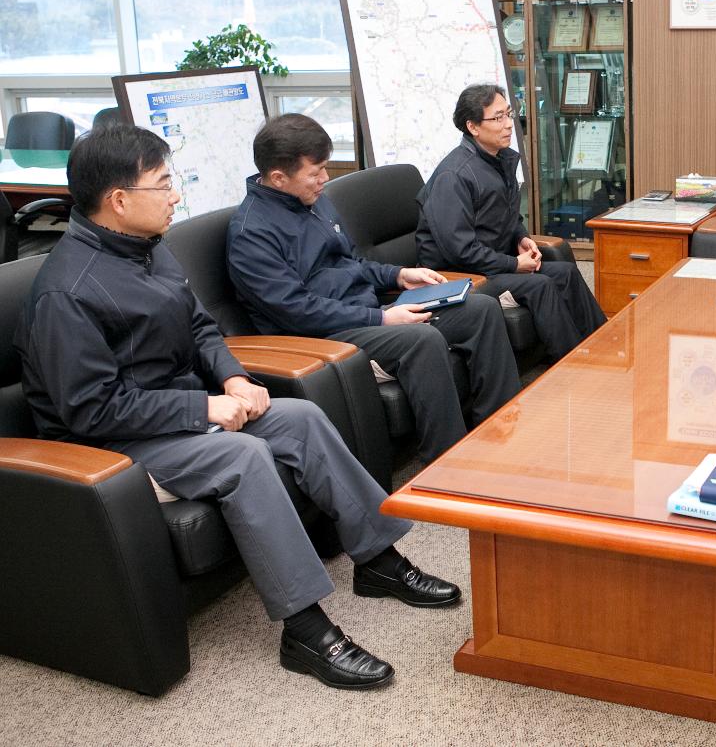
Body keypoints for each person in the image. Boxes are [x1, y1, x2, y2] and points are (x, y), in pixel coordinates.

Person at [15, 124, 461, 691]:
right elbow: (90, 411)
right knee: (244, 458)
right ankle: (303, 629)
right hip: (116, 443)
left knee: (300, 417)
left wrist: (232, 376)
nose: (175, 195)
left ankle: (379, 560)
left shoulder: (148, 250)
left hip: (177, 407)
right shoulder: (67, 291)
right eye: (163, 184)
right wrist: (203, 408)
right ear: (119, 200)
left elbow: (201, 326)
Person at [227, 113, 520, 465]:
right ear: (277, 177)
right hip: (324, 335)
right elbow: (297, 311)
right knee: (421, 340)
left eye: (325, 168)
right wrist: (382, 317)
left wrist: (399, 276)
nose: (324, 179)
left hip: (368, 310)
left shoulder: (314, 201)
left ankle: (499, 428)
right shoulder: (251, 234)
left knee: (480, 309)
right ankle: (447, 464)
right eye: (315, 172)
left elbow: (354, 262)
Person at [416, 84, 605, 361]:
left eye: (509, 114)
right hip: (461, 275)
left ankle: (603, 347)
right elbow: (460, 251)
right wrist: (514, 264)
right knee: (540, 285)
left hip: (491, 261)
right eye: (497, 118)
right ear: (473, 127)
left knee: (565, 272)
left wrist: (521, 237)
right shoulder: (454, 176)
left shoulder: (498, 159)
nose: (508, 125)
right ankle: (571, 366)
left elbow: (507, 215)